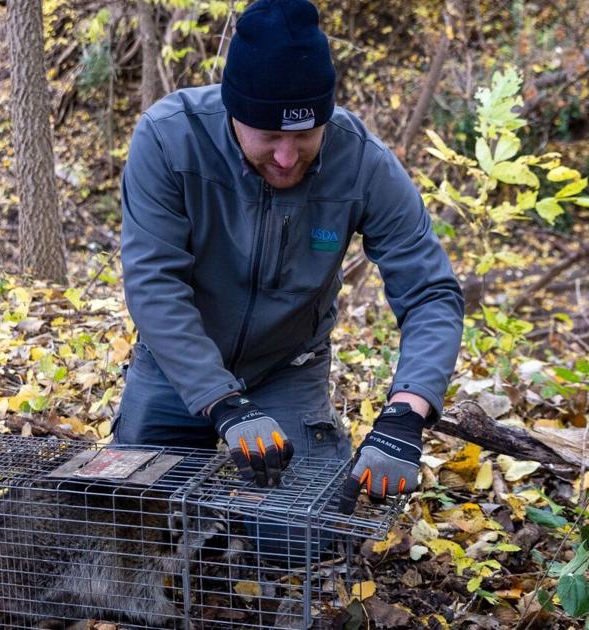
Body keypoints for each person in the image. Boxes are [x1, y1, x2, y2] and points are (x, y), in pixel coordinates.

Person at [115, 0, 463, 514]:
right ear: (233, 113)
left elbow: (430, 291)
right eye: (270, 136)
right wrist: (222, 402)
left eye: (304, 136)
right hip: (177, 365)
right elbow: (153, 283)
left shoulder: (363, 162)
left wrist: (406, 414)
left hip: (287, 366)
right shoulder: (169, 138)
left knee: (298, 532)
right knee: (132, 513)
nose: (285, 156)